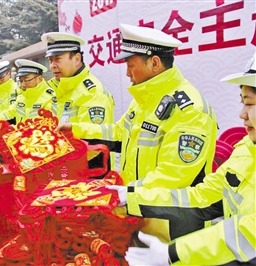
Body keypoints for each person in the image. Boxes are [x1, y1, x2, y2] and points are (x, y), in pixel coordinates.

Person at [56, 24, 218, 242]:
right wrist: (76, 130)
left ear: (154, 63)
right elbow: (120, 134)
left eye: (130, 65)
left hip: (172, 231)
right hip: (138, 215)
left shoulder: (190, 111)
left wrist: (121, 195)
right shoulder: (144, 100)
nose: (127, 73)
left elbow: (172, 176)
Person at [109, 53, 256, 265]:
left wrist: (175, 253)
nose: (242, 114)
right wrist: (132, 198)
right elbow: (203, 197)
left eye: (250, 104)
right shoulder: (247, 148)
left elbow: (247, 233)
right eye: (242, 103)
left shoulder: (190, 109)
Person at [41, 32, 116, 173]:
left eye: (58, 59)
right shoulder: (59, 86)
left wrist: (49, 155)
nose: (53, 66)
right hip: (63, 166)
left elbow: (93, 144)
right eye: (50, 60)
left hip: (89, 170)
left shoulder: (91, 92)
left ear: (76, 59)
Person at [0, 59, 55, 123]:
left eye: (26, 80)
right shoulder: (22, 97)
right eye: (21, 81)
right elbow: (11, 111)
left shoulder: (50, 98)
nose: (23, 85)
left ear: (39, 78)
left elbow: (47, 125)